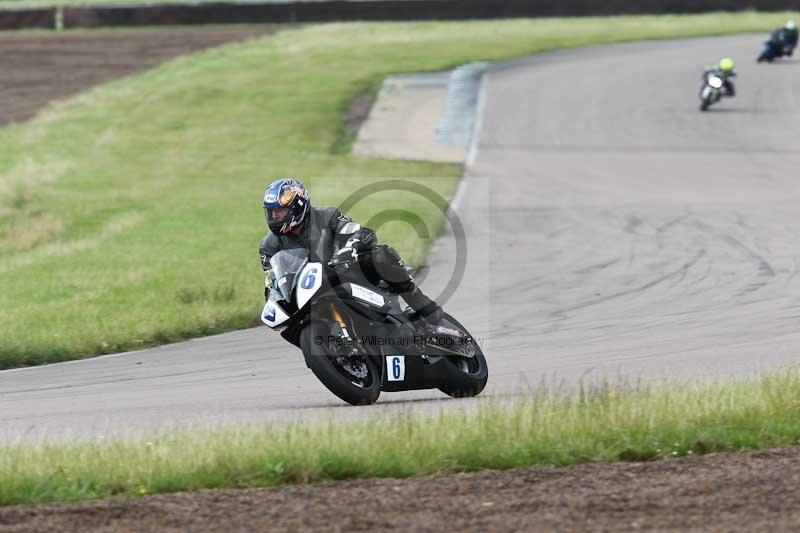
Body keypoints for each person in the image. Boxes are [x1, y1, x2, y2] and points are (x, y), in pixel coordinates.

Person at [259, 177, 444, 323]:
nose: (274, 217)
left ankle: (418, 301)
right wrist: (275, 296)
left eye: (280, 211)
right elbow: (271, 281)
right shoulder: (268, 247)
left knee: (381, 255)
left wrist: (349, 249)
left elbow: (360, 233)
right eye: (271, 212)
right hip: (310, 293)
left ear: (297, 206)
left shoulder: (327, 215)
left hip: (346, 272)